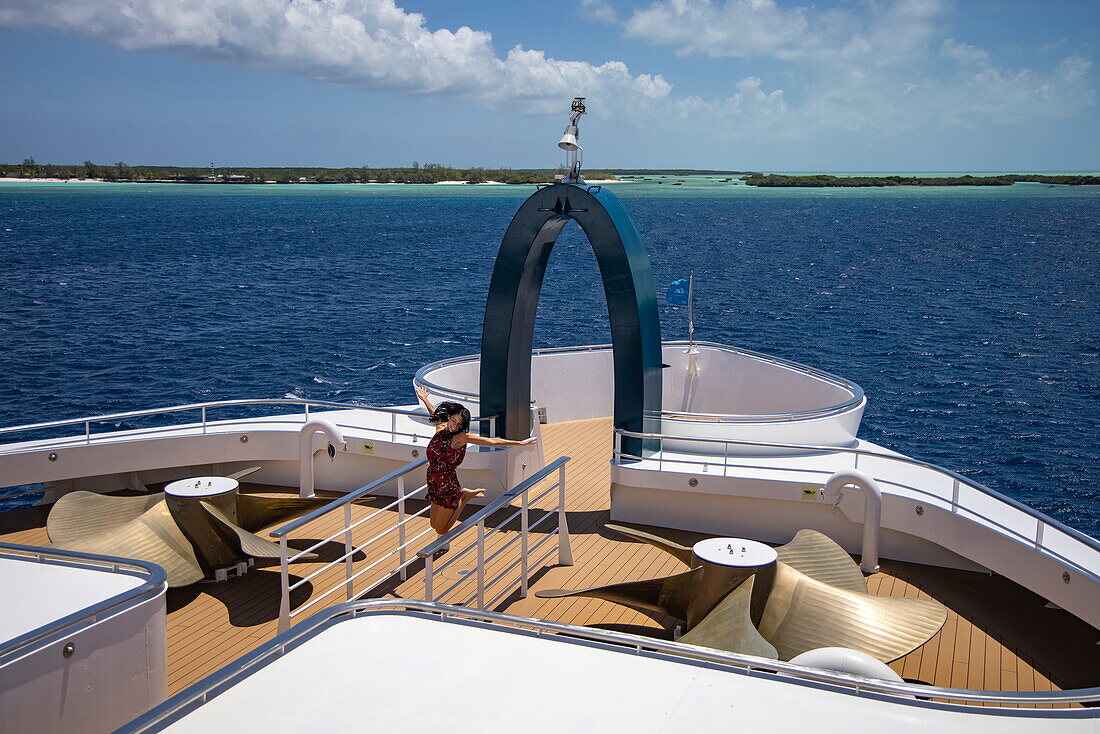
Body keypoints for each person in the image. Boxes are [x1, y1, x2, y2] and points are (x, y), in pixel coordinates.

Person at [416, 386, 536, 546]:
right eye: (453, 420)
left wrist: (518, 443)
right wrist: (424, 399)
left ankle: (463, 497)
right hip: (433, 480)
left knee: (441, 530)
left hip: (447, 484)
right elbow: (434, 414)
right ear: (449, 417)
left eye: (460, 423)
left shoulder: (461, 437)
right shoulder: (440, 428)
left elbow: (492, 441)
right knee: (433, 525)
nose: (455, 425)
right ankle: (462, 497)